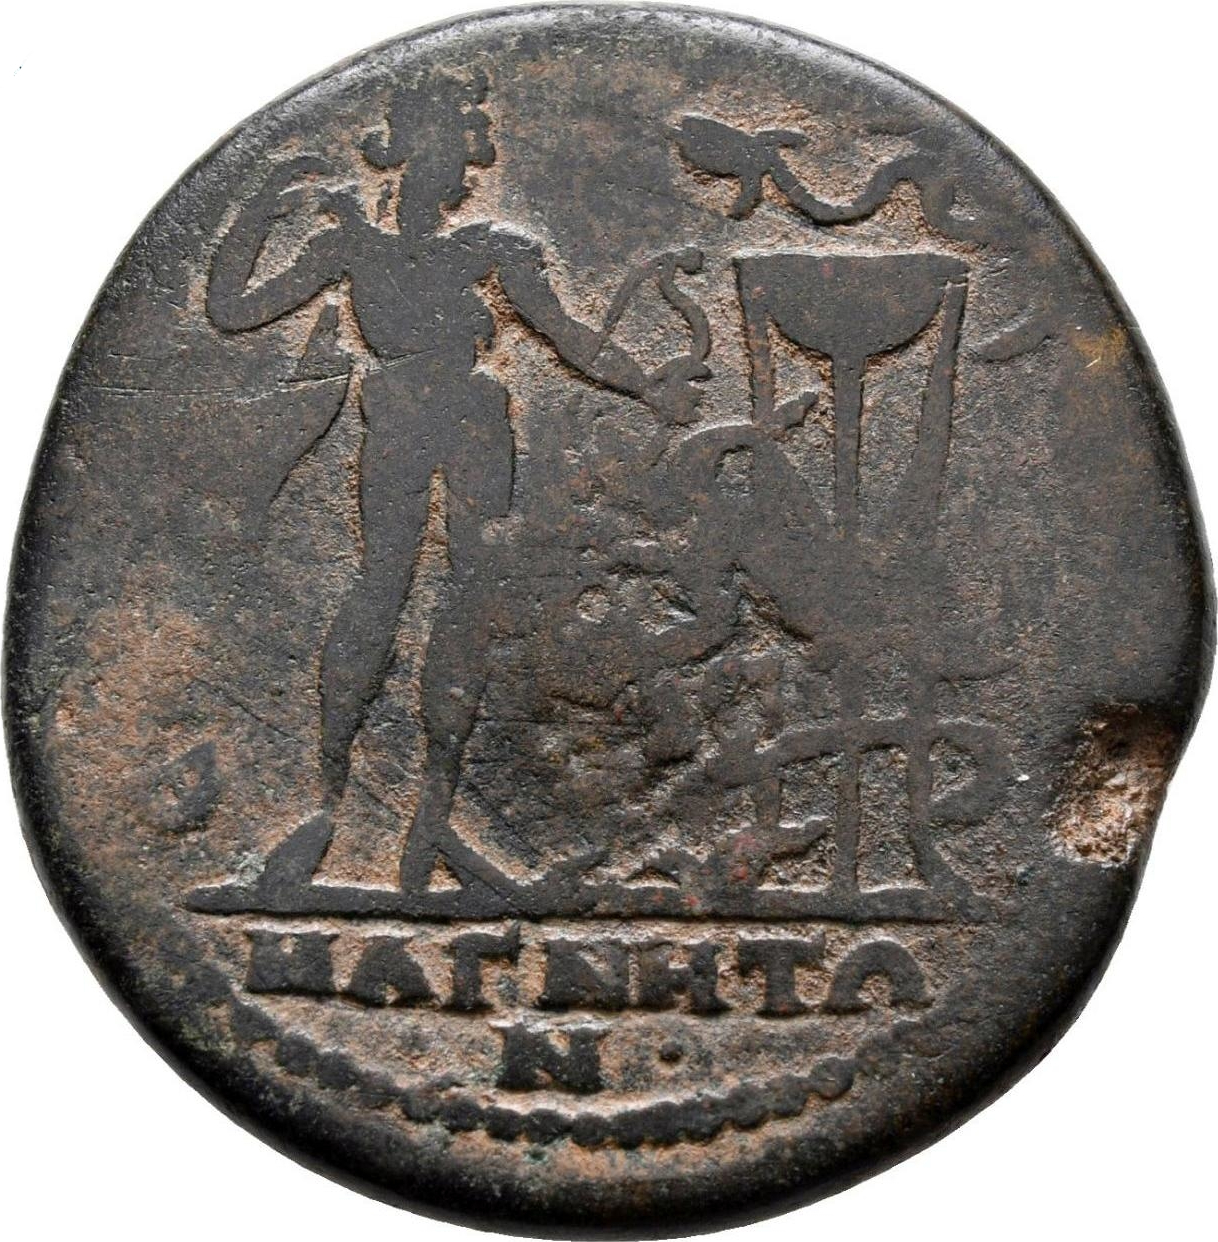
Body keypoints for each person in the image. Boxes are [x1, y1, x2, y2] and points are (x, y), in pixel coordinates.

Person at [207, 71, 701, 896]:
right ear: (403, 154)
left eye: (459, 153)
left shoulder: (489, 247)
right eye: (437, 149)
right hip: (402, 416)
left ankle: (435, 817)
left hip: (471, 420)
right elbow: (232, 309)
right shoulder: (351, 247)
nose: (452, 169)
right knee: (384, 588)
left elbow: (566, 334)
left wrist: (647, 385)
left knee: (470, 596)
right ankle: (331, 803)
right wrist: (261, 205)